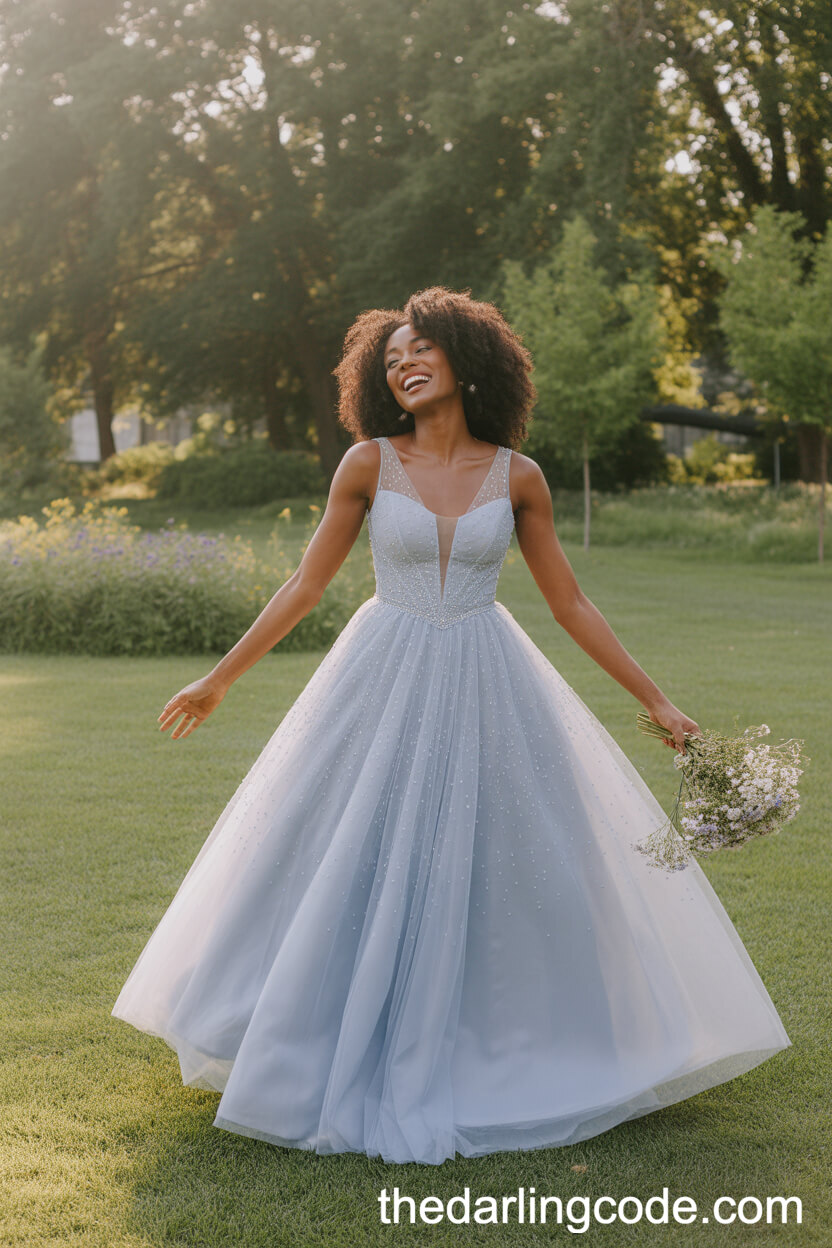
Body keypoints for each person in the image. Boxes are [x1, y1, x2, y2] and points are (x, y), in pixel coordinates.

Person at [112, 285, 790, 1166]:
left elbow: (571, 602)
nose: (404, 364)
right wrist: (219, 679)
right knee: (345, 843)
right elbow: (306, 586)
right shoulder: (366, 463)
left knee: (508, 857)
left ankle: (516, 1041)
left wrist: (658, 700)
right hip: (379, 674)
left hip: (486, 673)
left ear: (466, 360)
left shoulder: (520, 477)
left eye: (419, 347)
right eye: (391, 358)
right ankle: (301, 1032)